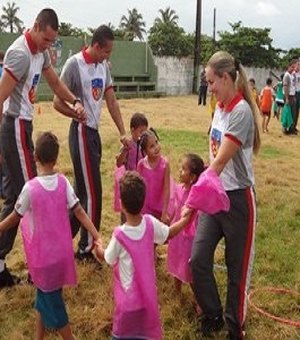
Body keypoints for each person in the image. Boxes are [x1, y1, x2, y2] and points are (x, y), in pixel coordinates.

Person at [0, 8, 87, 287]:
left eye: (52, 41)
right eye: (47, 39)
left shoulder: (41, 53)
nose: (49, 46)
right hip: (13, 125)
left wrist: (74, 101)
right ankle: (44, 268)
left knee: (16, 194)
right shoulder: (21, 53)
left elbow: (55, 83)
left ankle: (0, 265)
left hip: (23, 126)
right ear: (36, 26)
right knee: (34, 197)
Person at [0, 132, 101, 339]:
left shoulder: (30, 188)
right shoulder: (63, 183)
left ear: (35, 157)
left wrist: (0, 227)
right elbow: (80, 211)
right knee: (45, 296)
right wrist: (96, 234)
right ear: (55, 159)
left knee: (53, 304)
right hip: (62, 256)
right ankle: (39, 337)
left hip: (42, 260)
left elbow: (15, 216)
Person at [189, 51, 260, 340]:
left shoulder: (240, 111)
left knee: (236, 269)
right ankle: (214, 313)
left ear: (227, 78)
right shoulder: (219, 107)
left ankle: (234, 327)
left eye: (211, 81)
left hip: (238, 202)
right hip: (214, 197)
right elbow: (213, 156)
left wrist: (190, 200)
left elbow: (219, 163)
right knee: (198, 260)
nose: (209, 87)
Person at [53, 25, 130, 262]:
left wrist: (122, 132)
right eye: (106, 51)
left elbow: (111, 100)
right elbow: (57, 102)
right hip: (81, 132)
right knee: (94, 193)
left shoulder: (103, 67)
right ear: (96, 46)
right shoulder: (74, 65)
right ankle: (87, 249)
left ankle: (61, 239)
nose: (109, 56)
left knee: (81, 193)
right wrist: (76, 114)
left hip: (93, 134)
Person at [94, 171, 192, 340]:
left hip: (127, 302)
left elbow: (107, 258)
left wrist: (99, 248)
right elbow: (169, 233)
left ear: (121, 205)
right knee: (145, 334)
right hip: (148, 299)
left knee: (122, 334)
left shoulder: (119, 235)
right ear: (143, 200)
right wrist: (185, 220)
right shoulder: (149, 222)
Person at [167, 154, 204, 297]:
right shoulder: (178, 188)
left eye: (183, 169)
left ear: (193, 177)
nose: (180, 171)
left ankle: (198, 298)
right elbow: (172, 205)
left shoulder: (196, 195)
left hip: (188, 239)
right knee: (176, 262)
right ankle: (177, 291)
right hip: (176, 236)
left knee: (188, 268)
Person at [115, 112, 148, 222]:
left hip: (141, 184)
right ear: (132, 130)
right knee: (127, 210)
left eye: (145, 132)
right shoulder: (128, 144)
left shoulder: (145, 145)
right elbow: (119, 163)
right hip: (129, 184)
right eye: (141, 132)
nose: (143, 135)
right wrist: (125, 150)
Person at [137, 129, 171, 225]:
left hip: (160, 210)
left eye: (156, 142)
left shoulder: (165, 164)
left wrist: (164, 212)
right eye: (152, 146)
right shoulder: (141, 164)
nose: (156, 147)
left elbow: (167, 189)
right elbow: (138, 188)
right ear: (145, 151)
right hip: (145, 209)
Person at [283, 59, 297, 134]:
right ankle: (285, 129)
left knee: (292, 114)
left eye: (294, 67)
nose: (293, 69)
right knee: (288, 113)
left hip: (293, 95)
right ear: (288, 66)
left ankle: (291, 129)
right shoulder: (286, 75)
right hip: (288, 96)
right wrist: (287, 98)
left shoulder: (292, 75)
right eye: (292, 67)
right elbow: (285, 87)